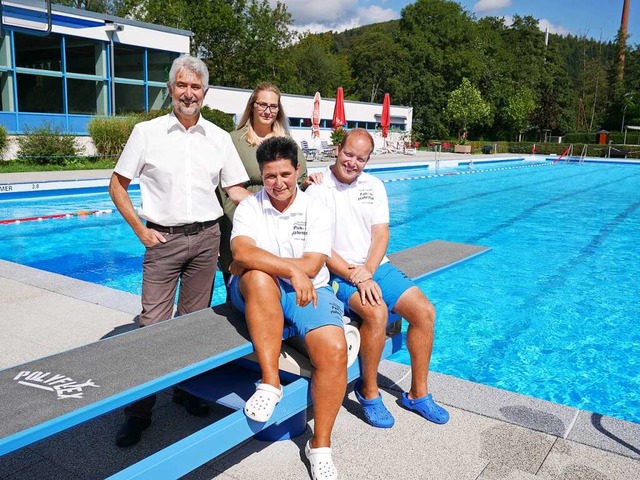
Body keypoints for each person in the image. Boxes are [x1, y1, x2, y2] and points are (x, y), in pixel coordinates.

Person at [108, 55, 251, 447]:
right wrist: (141, 230)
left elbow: (236, 190)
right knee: (152, 326)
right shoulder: (146, 133)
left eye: (196, 87)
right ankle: (139, 412)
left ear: (205, 93)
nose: (189, 93)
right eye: (182, 85)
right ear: (171, 89)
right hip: (163, 239)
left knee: (192, 324)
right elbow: (117, 185)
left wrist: (277, 199)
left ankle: (187, 393)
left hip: (206, 240)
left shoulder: (220, 138)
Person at [305, 128, 449, 429]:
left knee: (424, 312)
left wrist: (368, 271)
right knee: (376, 311)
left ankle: (418, 393)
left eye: (361, 158)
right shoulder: (317, 188)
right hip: (336, 272)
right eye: (348, 154)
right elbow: (320, 247)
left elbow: (381, 233)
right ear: (337, 150)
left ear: (368, 161)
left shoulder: (374, 185)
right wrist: (355, 276)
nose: (352, 163)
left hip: (374, 267)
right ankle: (368, 391)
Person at [229, 136, 345, 479]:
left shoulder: (316, 208)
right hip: (257, 289)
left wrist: (266, 261)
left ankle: (319, 446)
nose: (278, 184)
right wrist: (291, 268)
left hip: (309, 290)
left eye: (284, 174)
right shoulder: (250, 207)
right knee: (260, 280)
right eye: (269, 177)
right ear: (261, 177)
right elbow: (240, 255)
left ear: (297, 170)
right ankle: (270, 383)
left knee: (335, 350)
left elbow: (312, 265)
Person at [217, 83, 307, 290]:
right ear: (252, 106)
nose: (268, 111)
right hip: (242, 221)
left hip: (281, 223)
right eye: (263, 105)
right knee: (244, 287)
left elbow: (300, 178)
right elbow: (227, 189)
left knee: (281, 286)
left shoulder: (286, 140)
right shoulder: (233, 140)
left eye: (273, 106)